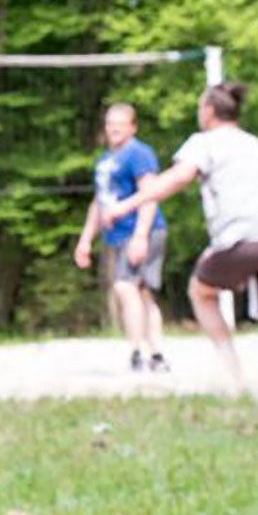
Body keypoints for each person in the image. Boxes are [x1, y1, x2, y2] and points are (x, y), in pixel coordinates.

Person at [103, 82, 258, 393]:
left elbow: (176, 179)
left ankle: (235, 377)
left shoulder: (204, 143)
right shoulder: (256, 144)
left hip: (244, 238)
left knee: (201, 292)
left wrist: (127, 205)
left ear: (209, 111)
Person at [74, 103, 170, 373]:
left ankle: (137, 352)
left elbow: (150, 195)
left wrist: (140, 236)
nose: (113, 128)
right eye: (109, 123)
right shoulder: (105, 160)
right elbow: (99, 202)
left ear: (133, 126)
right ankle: (157, 353)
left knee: (125, 287)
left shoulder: (139, 154)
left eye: (120, 123)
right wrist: (85, 239)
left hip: (142, 230)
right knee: (140, 293)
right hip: (117, 235)